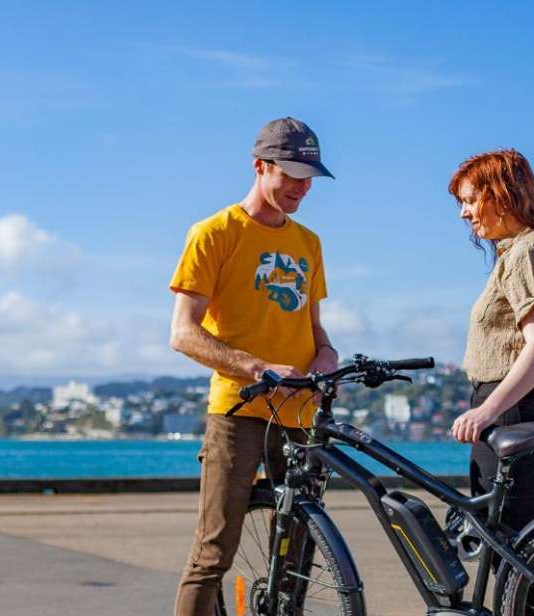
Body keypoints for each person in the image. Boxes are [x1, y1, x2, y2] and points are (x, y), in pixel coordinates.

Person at [168, 117, 338, 616]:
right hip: (239, 410)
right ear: (260, 165)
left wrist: (326, 355)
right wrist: (256, 365)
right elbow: (183, 333)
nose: (302, 188)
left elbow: (313, 327)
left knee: (298, 554)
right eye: (291, 175)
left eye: (309, 178)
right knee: (213, 553)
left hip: (302, 413)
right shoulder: (214, 233)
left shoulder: (309, 243)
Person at [448, 148, 534, 614]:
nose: (464, 213)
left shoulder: (527, 250)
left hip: (516, 409)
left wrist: (487, 410)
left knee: (517, 560)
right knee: (524, 551)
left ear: (501, 194)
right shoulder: (533, 249)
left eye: (470, 199)